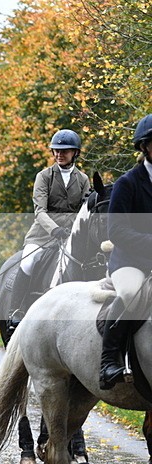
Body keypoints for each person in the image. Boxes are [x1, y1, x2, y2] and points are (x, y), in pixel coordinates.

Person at [6, 129, 90, 335]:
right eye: (56, 151)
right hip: (44, 233)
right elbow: (40, 211)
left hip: (72, 234)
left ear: (75, 153)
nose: (59, 155)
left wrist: (74, 230)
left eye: (65, 151)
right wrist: (55, 230)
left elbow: (85, 209)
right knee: (28, 261)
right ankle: (15, 310)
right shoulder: (43, 177)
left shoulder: (83, 179)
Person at [99, 114, 152, 389]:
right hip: (131, 262)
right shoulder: (127, 183)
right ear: (144, 146)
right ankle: (108, 361)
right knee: (130, 293)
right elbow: (116, 231)